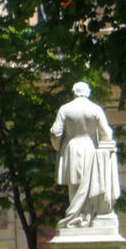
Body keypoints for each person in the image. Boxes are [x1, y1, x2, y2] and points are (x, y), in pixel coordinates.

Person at [50, 81, 121, 228]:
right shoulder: (95, 109)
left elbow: (55, 132)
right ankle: (86, 218)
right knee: (89, 185)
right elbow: (107, 133)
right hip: (90, 148)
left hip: (71, 149)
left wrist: (58, 146)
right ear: (87, 92)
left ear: (74, 92)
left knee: (74, 187)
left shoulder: (65, 109)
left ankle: (75, 218)